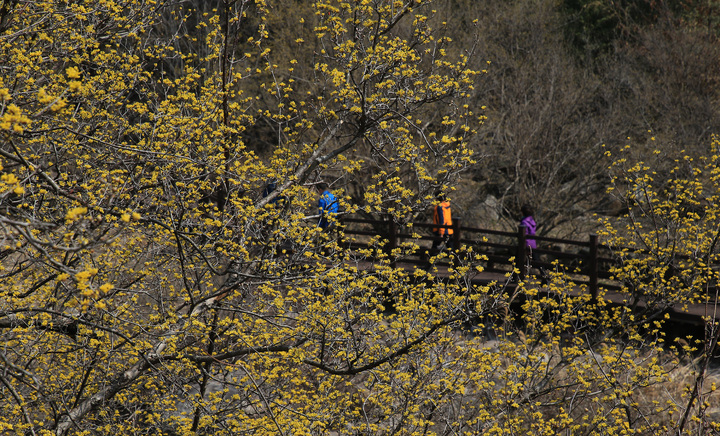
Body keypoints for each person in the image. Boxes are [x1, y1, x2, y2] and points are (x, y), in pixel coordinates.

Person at [520, 204, 548, 284]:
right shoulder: (532, 221)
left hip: (525, 244)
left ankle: (516, 277)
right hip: (533, 243)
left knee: (518, 260)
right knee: (537, 261)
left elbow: (524, 233)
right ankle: (544, 277)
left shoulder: (524, 222)